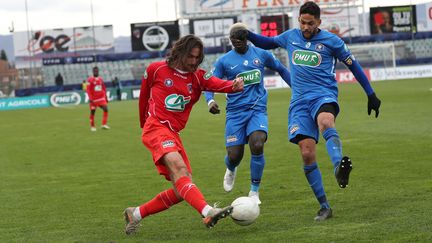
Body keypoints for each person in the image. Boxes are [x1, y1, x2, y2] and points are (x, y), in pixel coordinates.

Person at [244, 1, 381, 221]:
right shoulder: (290, 36)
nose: (306, 27)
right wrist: (248, 34)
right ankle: (324, 206)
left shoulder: (331, 41)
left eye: (310, 23)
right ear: (298, 20)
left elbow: (353, 65)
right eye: (302, 22)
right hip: (299, 103)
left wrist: (371, 94)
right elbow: (268, 42)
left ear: (319, 22)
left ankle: (339, 167)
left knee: (326, 121)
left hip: (323, 95)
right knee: (307, 153)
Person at [123, 34, 244, 235]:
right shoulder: (156, 69)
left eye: (197, 58)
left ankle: (135, 214)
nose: (193, 61)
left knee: (181, 188)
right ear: (180, 52)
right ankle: (208, 211)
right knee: (179, 168)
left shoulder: (197, 76)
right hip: (156, 128)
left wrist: (233, 86)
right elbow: (144, 97)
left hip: (172, 133)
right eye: (190, 56)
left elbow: (216, 83)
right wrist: (145, 124)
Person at [204, 24, 291, 205]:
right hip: (235, 113)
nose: (238, 45)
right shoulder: (224, 61)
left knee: (257, 144)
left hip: (257, 109)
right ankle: (231, 168)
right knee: (235, 155)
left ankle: (254, 191)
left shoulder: (261, 54)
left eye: (240, 42)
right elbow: (209, 82)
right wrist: (210, 100)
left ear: (246, 39)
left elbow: (281, 69)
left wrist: (296, 89)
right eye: (234, 43)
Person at [86, 66, 110, 132]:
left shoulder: (100, 79)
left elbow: (104, 88)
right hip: (94, 99)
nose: (96, 72)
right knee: (93, 112)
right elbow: (88, 90)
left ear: (98, 71)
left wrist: (106, 97)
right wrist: (90, 98)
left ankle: (104, 124)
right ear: (93, 72)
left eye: (97, 71)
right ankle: (92, 126)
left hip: (101, 99)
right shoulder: (89, 80)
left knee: (106, 109)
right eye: (95, 71)